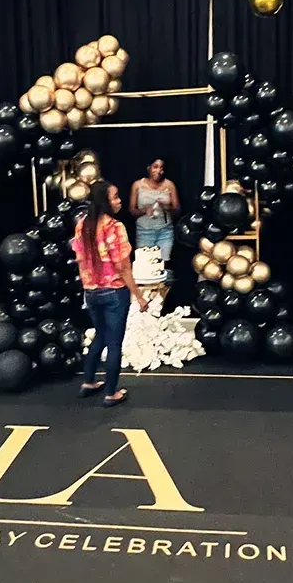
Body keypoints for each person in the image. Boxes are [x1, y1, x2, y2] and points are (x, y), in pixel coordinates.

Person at [72, 179, 149, 407]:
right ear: (104, 202)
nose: (119, 201)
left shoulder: (82, 225)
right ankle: (111, 392)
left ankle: (88, 382)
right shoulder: (116, 227)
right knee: (114, 343)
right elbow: (123, 267)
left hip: (91, 292)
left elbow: (79, 260)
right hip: (114, 292)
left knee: (101, 335)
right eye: (115, 197)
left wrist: (88, 284)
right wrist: (139, 295)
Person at [129, 158, 180, 260]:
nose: (159, 171)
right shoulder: (138, 185)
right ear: (148, 168)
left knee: (162, 265)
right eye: (155, 167)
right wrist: (144, 210)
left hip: (165, 231)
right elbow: (131, 210)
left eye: (161, 168)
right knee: (145, 264)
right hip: (144, 231)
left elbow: (177, 210)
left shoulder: (169, 185)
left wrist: (166, 207)